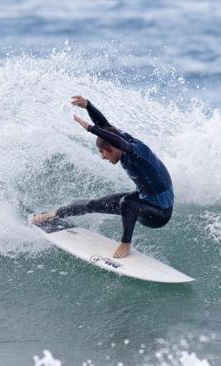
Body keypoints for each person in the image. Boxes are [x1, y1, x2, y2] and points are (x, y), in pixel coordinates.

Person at [31, 96, 174, 258]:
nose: (102, 157)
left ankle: (125, 244)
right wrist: (88, 106)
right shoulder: (121, 140)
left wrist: (90, 129)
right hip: (144, 200)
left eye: (102, 152)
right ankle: (55, 213)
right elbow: (105, 126)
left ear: (112, 148)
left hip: (159, 214)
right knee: (93, 204)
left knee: (127, 203)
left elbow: (119, 143)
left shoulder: (137, 152)